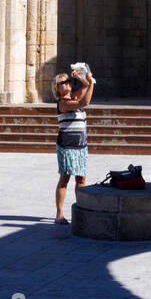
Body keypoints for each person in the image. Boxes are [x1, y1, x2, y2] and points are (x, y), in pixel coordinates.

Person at [53, 65, 95, 224]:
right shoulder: (63, 104)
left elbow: (84, 87)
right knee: (65, 178)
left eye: (68, 81)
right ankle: (59, 214)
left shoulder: (73, 97)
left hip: (81, 144)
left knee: (81, 179)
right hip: (67, 145)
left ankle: (81, 210)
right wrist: (92, 84)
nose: (67, 83)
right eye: (63, 82)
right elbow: (85, 101)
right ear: (57, 89)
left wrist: (80, 77)